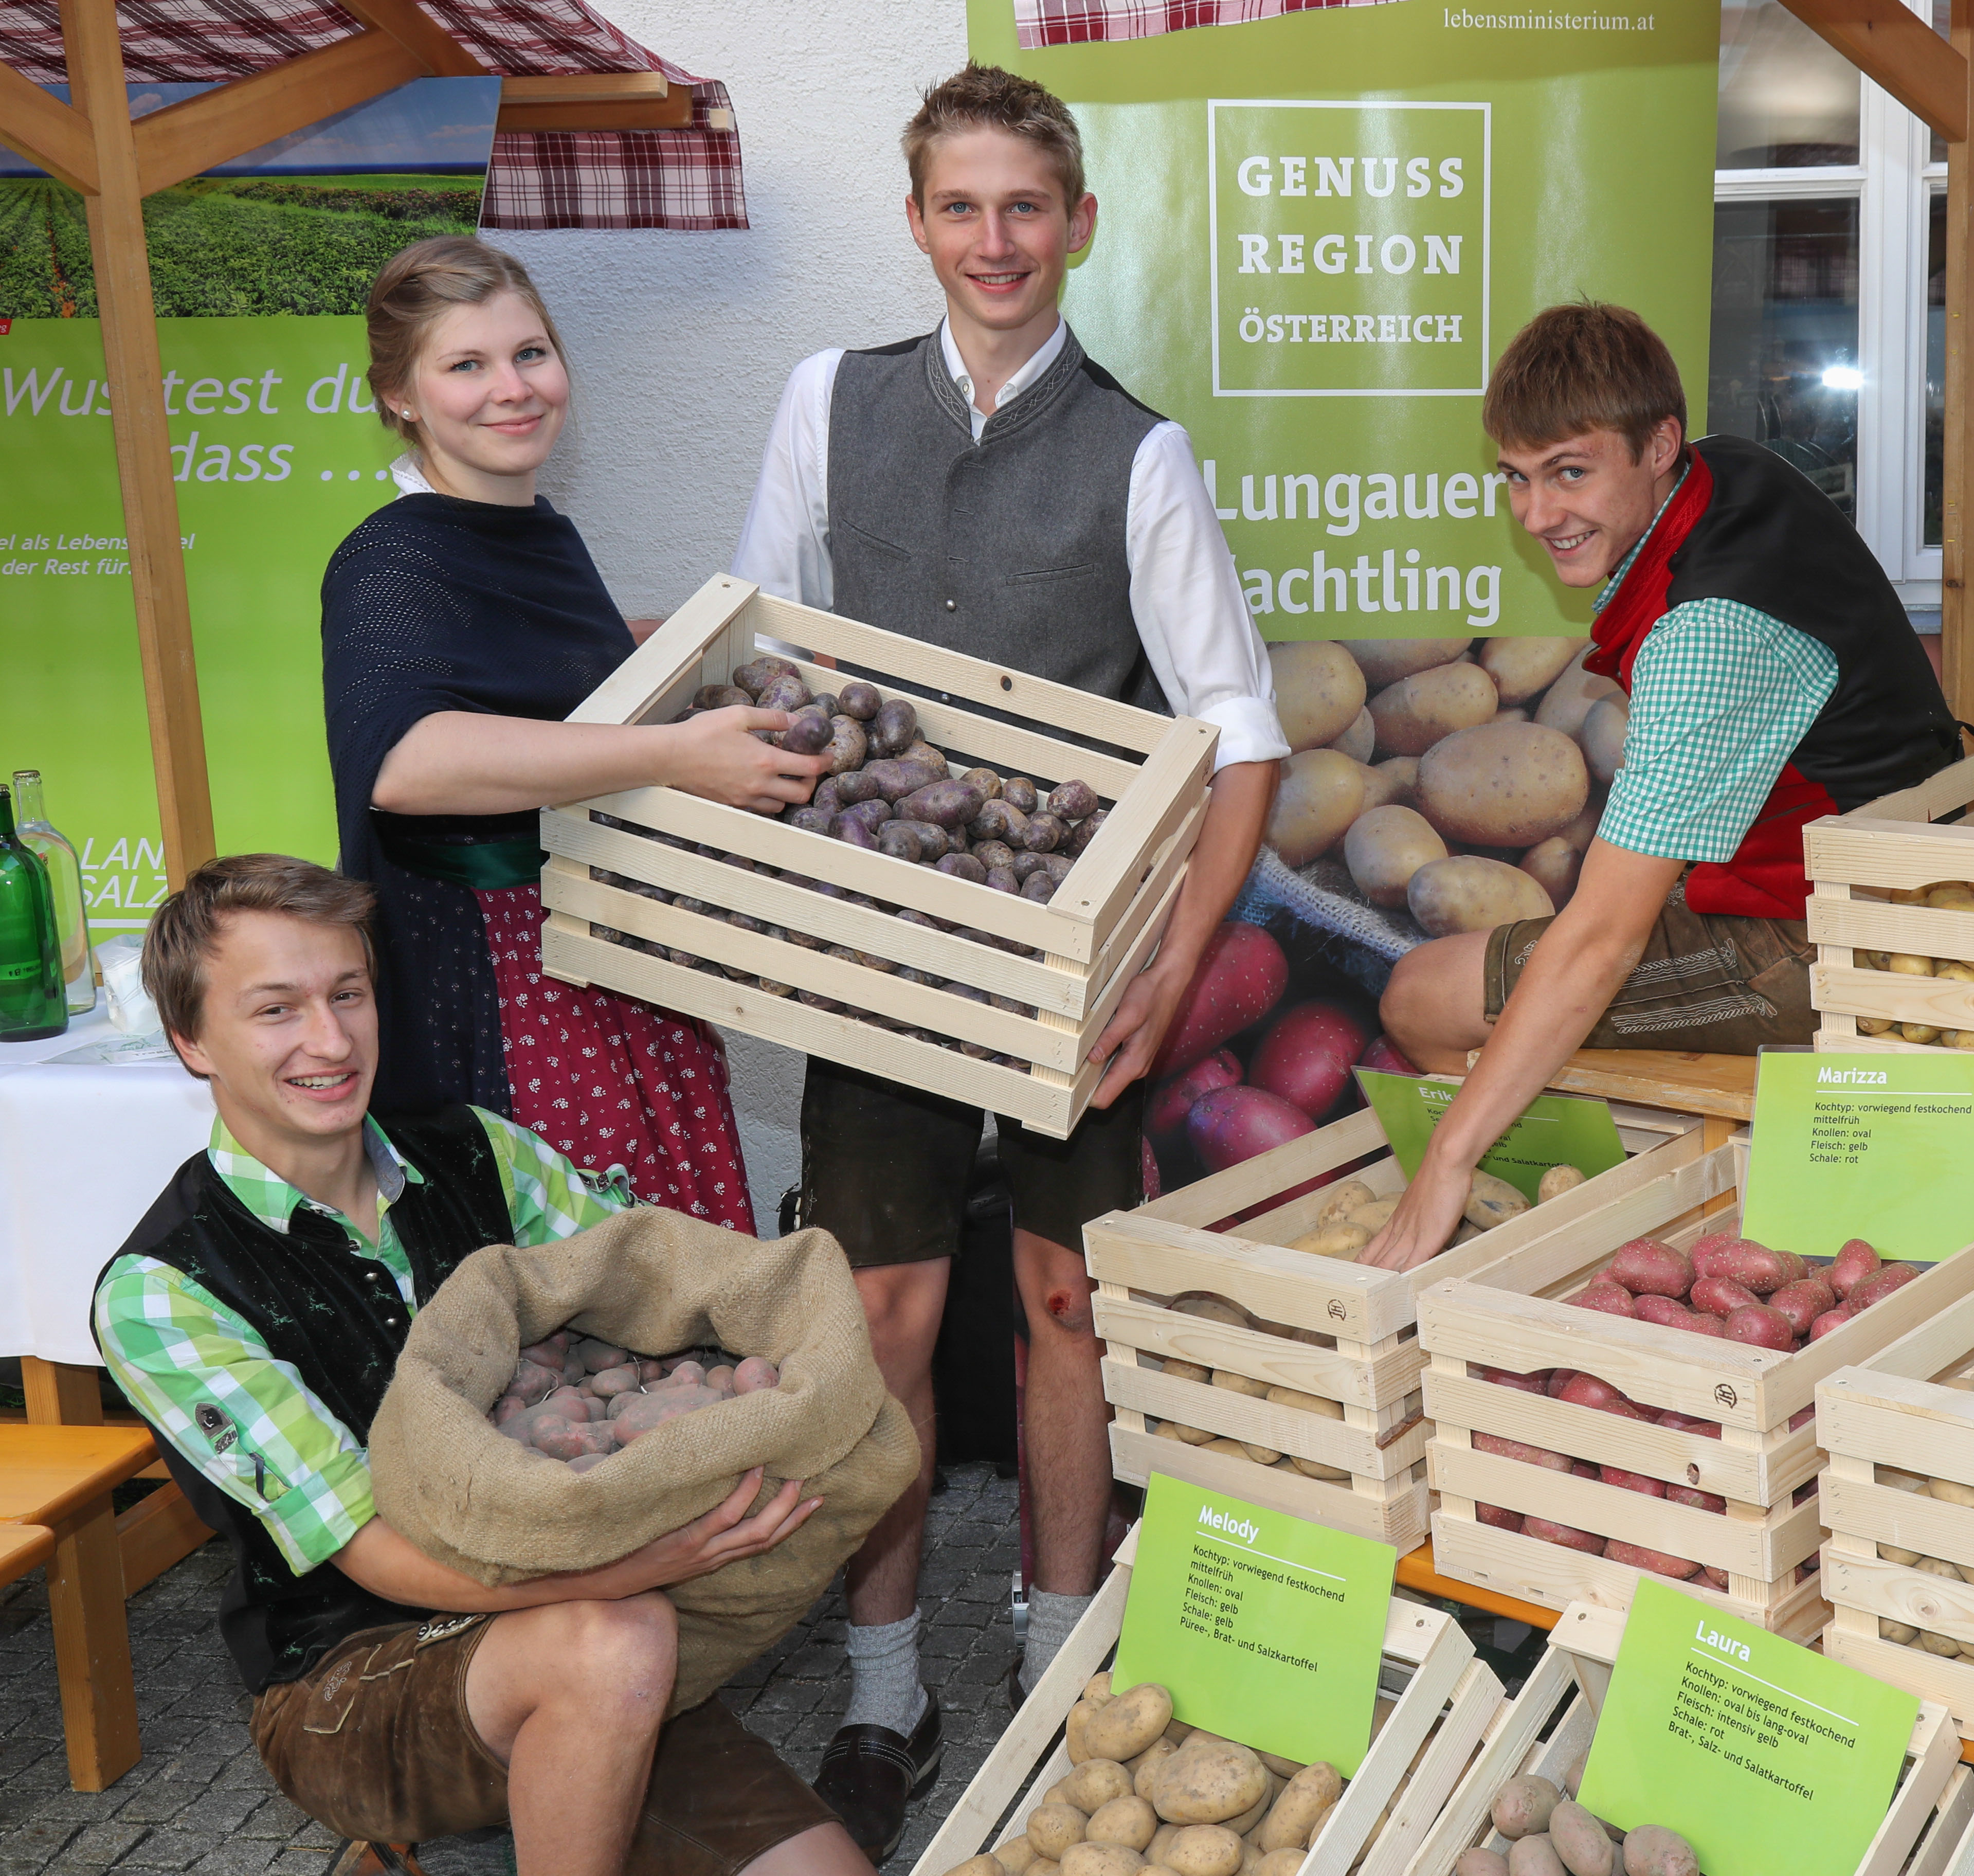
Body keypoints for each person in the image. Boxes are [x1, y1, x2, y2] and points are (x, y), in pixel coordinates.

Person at [728, 64, 1287, 1852]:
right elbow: (765, 650)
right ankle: (888, 1677)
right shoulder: (830, 400)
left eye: (1025, 207)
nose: (994, 240)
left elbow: (1240, 738)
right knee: (882, 1314)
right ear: (916, 224)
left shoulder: (1140, 453)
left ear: (1079, 227)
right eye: (960, 207)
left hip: (1074, 960)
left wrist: (1165, 977)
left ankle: (1058, 1659)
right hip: (887, 942)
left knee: (1064, 1303)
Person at [93, 854, 869, 1876]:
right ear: (192, 1041)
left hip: (577, 1608)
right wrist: (640, 1570)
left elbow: (661, 1283)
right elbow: (367, 1554)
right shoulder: (163, 1288)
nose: (329, 1042)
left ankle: (550, 1783)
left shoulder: (478, 1153)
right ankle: (459, 1816)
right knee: (624, 1645)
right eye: (275, 1011)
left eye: (348, 995)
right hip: (355, 1669)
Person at [1362, 303, 1963, 1271]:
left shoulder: (1708, 631)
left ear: (1658, 445)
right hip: (1890, 880)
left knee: (1420, 996)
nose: (1537, 516)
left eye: (1570, 473)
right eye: (1517, 479)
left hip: (1826, 943)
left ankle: (1551, 1249)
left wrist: (1446, 1159)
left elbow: (1604, 939)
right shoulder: (1733, 474)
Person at [322, 236, 820, 1232]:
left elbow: (529, 685)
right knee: (588, 1317)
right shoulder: (387, 561)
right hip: (506, 993)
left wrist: (675, 645)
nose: (512, 389)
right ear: (400, 397)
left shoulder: (535, 528)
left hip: (607, 956)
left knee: (675, 1301)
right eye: (466, 366)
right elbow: (409, 764)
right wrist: (677, 756)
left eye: (531, 354)